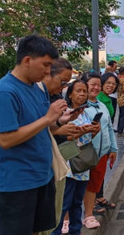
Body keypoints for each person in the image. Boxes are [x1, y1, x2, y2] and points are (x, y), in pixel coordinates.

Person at [0, 35, 74, 235]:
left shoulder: (36, 89)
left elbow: (44, 126)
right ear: (27, 60)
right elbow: (6, 140)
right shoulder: (4, 92)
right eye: (45, 65)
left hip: (42, 177)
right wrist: (47, 118)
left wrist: (58, 120)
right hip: (17, 183)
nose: (47, 71)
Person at [39, 58, 83, 235]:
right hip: (40, 169)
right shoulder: (17, 93)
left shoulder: (49, 96)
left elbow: (48, 127)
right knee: (52, 215)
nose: (63, 87)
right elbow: (7, 139)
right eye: (63, 82)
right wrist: (55, 123)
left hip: (54, 163)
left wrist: (59, 122)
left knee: (57, 210)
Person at [51, 80, 100, 235]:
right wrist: (84, 131)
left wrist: (94, 130)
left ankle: (75, 231)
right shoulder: (65, 113)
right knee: (64, 203)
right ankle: (57, 232)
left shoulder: (84, 112)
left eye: (84, 91)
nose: (82, 94)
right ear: (70, 93)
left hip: (82, 166)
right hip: (69, 164)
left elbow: (87, 138)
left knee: (77, 203)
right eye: (78, 91)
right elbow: (65, 137)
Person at [82, 73, 118, 230]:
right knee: (80, 186)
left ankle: (89, 214)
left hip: (102, 153)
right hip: (84, 154)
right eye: (92, 84)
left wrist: (113, 148)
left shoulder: (102, 106)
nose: (96, 88)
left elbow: (109, 128)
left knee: (94, 185)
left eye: (98, 85)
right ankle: (72, 219)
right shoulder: (80, 106)